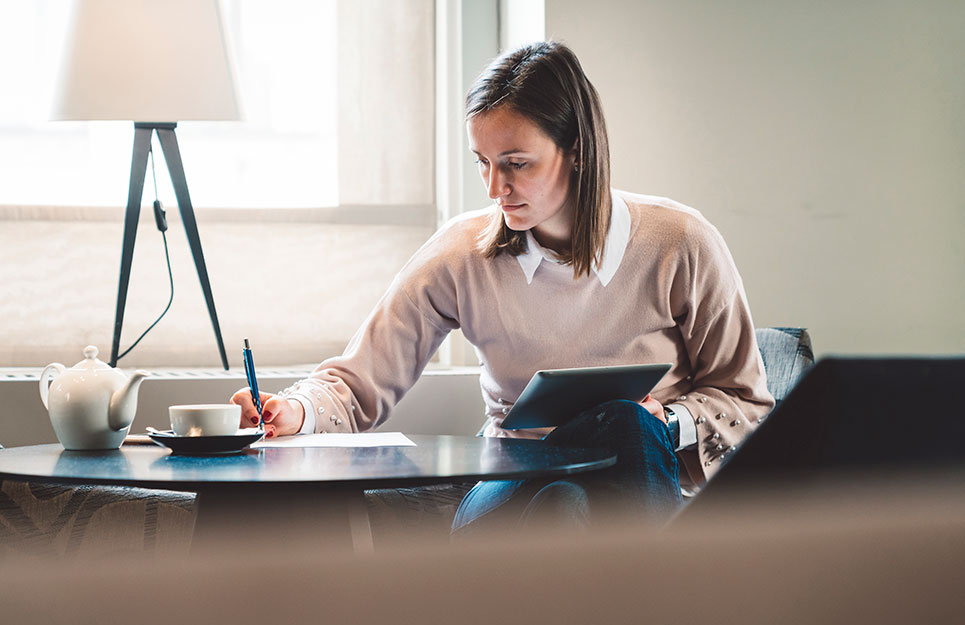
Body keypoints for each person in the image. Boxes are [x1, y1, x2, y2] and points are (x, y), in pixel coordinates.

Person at [231, 41, 774, 533]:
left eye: (516, 164)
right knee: (577, 480)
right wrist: (294, 410)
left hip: (639, 471)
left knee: (610, 449)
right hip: (508, 485)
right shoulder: (462, 254)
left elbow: (748, 405)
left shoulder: (680, 243)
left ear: (578, 150)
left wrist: (669, 421)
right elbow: (357, 383)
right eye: (483, 164)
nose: (496, 188)